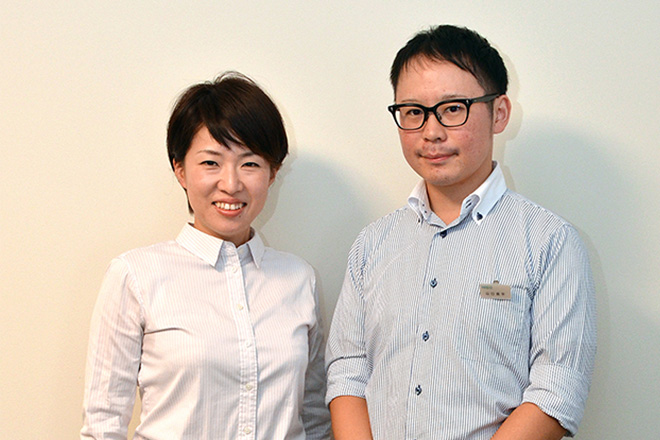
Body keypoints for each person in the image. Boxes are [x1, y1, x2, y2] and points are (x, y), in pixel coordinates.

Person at [325, 25, 596, 439]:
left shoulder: (549, 241)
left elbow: (557, 389)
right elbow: (348, 371)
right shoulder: (372, 244)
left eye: (453, 109)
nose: (431, 131)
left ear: (499, 112)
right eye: (413, 112)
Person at [81, 72, 331, 439]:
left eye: (250, 163)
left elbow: (314, 418)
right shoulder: (135, 276)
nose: (231, 184)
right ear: (180, 170)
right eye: (211, 163)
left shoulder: (299, 279)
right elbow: (103, 425)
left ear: (272, 173)